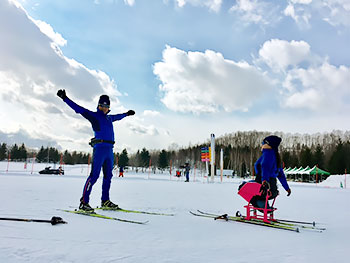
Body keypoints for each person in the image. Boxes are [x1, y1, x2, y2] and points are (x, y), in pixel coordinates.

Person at [57, 89, 135, 212]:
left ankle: (105, 201)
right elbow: (79, 109)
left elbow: (118, 117)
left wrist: (126, 114)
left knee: (108, 176)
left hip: (109, 150)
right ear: (98, 106)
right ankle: (84, 202)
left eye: (106, 106)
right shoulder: (94, 116)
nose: (104, 108)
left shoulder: (109, 118)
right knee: (94, 176)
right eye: (102, 105)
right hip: (99, 149)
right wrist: (65, 98)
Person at [252, 135, 291, 208]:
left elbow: (264, 166)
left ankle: (260, 204)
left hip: (265, 185)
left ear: (268, 145)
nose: (262, 146)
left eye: (263, 144)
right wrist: (287, 188)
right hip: (273, 188)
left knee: (243, 188)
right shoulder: (276, 156)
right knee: (266, 193)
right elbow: (281, 175)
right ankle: (264, 204)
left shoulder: (267, 154)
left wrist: (263, 180)